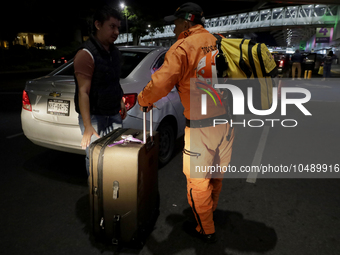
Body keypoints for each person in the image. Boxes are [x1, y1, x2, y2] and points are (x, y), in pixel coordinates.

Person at [138, 2, 234, 243]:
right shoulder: (218, 41)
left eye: (176, 23)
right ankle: (209, 212)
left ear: (186, 22)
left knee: (197, 181)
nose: (173, 28)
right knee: (215, 176)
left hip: (202, 128)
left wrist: (143, 98)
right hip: (227, 124)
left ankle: (206, 229)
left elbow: (161, 83)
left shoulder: (183, 47)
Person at [74, 5, 127, 176]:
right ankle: (96, 196)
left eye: (118, 27)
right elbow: (83, 92)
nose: (117, 32)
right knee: (96, 158)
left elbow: (113, 81)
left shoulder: (115, 53)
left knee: (115, 156)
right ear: (98, 25)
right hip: (95, 116)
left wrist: (121, 101)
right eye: (112, 26)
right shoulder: (86, 54)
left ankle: (113, 194)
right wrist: (88, 126)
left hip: (113, 112)